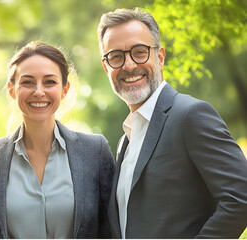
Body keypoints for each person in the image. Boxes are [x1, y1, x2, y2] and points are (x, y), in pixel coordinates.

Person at [97, 7, 247, 238]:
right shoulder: (124, 141)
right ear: (107, 67)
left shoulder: (191, 115)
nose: (128, 65)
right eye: (116, 56)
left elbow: (241, 197)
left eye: (139, 52)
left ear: (159, 57)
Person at [0, 41, 115, 238]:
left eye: (49, 81)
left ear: (64, 89)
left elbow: (109, 231)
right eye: (27, 82)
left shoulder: (95, 151)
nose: (39, 91)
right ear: (12, 90)